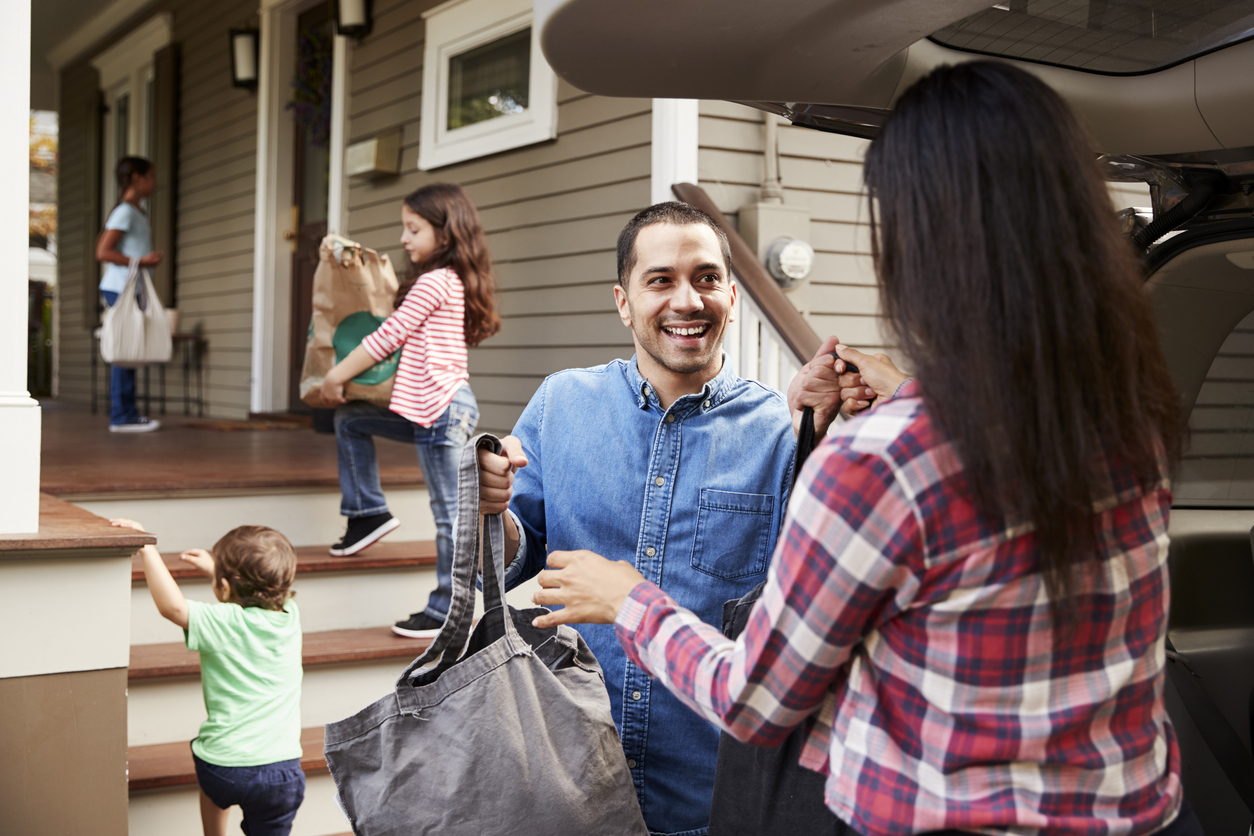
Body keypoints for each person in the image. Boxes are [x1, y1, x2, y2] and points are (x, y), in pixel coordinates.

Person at [529, 61, 1203, 836]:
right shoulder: (1129, 419)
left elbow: (757, 700)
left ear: (923, 244)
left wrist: (628, 603)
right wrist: (910, 391)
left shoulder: (881, 461)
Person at [476, 201, 853, 835]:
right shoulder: (562, 402)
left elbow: (810, 602)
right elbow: (510, 554)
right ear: (623, 301)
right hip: (569, 779)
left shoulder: (781, 433)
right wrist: (491, 508)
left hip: (707, 793)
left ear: (732, 298)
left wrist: (834, 433)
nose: (687, 300)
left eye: (706, 279)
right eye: (660, 280)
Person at [320, 182, 500, 640]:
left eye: (413, 229)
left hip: (443, 412)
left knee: (448, 514)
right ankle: (368, 512)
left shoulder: (437, 281)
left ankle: (448, 610)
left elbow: (387, 338)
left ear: (444, 234)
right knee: (349, 420)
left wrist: (337, 375)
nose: (404, 237)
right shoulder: (442, 281)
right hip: (426, 409)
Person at [114, 519, 304, 836]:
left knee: (214, 783)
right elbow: (257, 591)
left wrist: (148, 549)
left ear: (225, 587)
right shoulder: (290, 616)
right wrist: (217, 571)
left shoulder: (223, 620)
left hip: (225, 769)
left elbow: (173, 608)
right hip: (283, 772)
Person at [95, 156, 163, 432]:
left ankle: (127, 413)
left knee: (130, 348)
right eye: (151, 176)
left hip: (129, 287)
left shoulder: (135, 212)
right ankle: (122, 416)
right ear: (136, 177)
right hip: (120, 287)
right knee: (125, 349)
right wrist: (142, 262)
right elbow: (103, 252)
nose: (155, 183)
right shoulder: (124, 212)